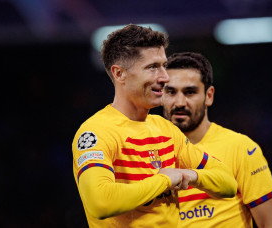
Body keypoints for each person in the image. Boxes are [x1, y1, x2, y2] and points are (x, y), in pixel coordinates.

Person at [71, 25, 238, 228]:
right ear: (119, 74)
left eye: (163, 66)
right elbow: (101, 203)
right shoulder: (96, 133)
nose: (165, 77)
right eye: (152, 67)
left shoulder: (166, 130)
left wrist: (191, 175)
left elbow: (228, 183)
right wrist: (164, 180)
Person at [162, 52, 272, 228]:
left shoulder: (242, 148)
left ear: (209, 95)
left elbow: (270, 224)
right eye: (171, 92)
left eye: (190, 92)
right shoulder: (145, 151)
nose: (180, 102)